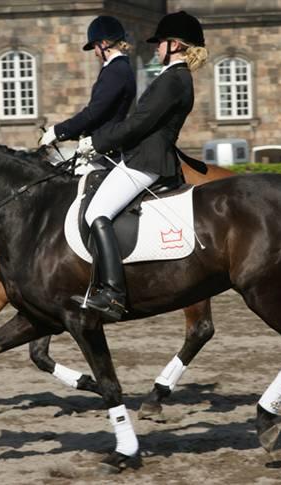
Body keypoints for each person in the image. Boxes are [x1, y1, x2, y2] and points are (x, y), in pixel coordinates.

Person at [72, 10, 208, 321]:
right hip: (144, 155)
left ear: (174, 44)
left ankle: (112, 293)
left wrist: (97, 141)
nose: (156, 48)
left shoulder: (174, 79)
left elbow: (139, 123)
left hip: (146, 160)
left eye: (160, 43)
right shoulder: (174, 77)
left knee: (96, 212)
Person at [40, 16, 135, 154]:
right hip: (99, 142)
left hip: (104, 146)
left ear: (103, 44)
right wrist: (70, 134)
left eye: (95, 47)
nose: (96, 53)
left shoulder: (116, 70)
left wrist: (58, 131)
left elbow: (94, 112)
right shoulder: (117, 68)